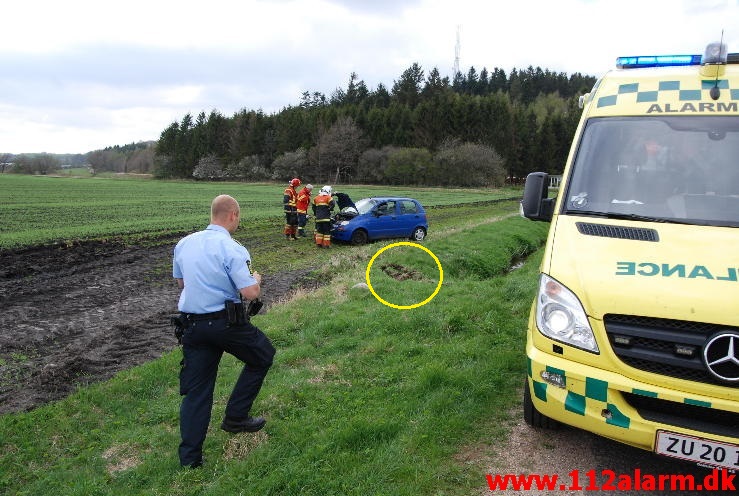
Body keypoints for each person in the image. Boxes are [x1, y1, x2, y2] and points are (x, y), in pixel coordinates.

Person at [172, 194, 275, 469]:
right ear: (233, 215)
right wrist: (256, 280)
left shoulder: (184, 244)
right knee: (263, 355)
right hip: (225, 323)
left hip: (192, 324)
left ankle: (190, 460)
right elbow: (250, 293)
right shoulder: (233, 248)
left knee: (197, 392)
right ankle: (236, 418)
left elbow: (182, 283)